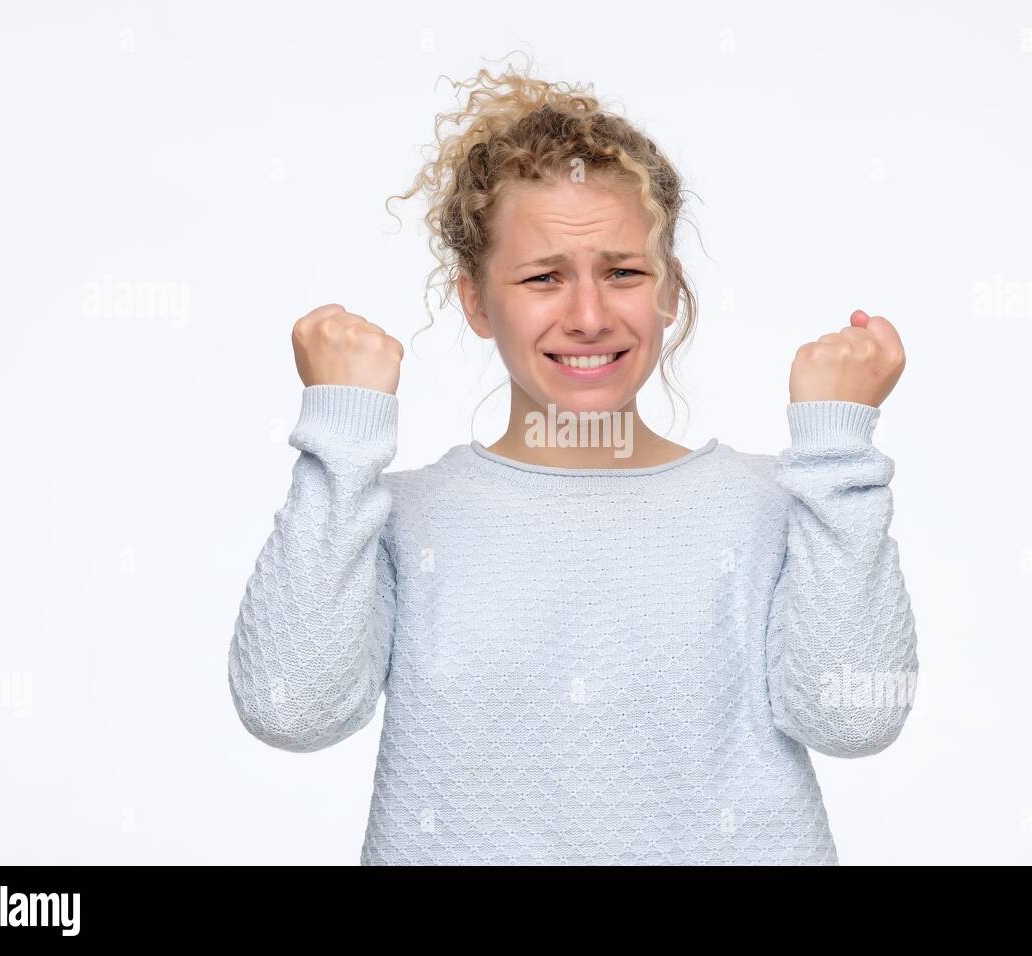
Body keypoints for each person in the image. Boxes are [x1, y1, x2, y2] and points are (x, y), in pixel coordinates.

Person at [227, 56, 919, 865]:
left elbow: (857, 719)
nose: (589, 316)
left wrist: (838, 447)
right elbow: (293, 709)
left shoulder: (773, 504)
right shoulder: (396, 518)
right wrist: (341, 435)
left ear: (669, 291)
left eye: (623, 272)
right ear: (477, 302)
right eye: (543, 277)